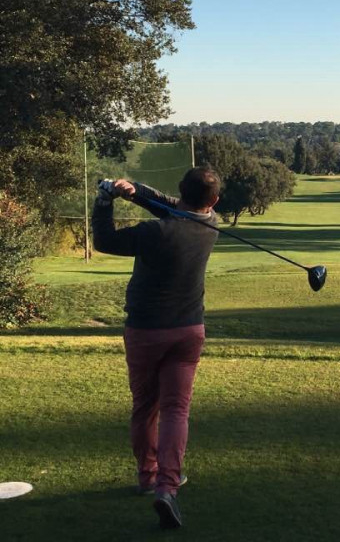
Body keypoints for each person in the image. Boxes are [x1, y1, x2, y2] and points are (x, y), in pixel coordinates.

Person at [92, 167, 221, 529]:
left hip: (145, 330)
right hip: (189, 330)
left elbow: (105, 241)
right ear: (213, 201)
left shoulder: (154, 232)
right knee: (176, 411)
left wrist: (104, 200)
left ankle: (148, 477)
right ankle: (168, 487)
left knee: (145, 408)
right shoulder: (213, 223)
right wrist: (134, 191)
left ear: (181, 190)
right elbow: (170, 205)